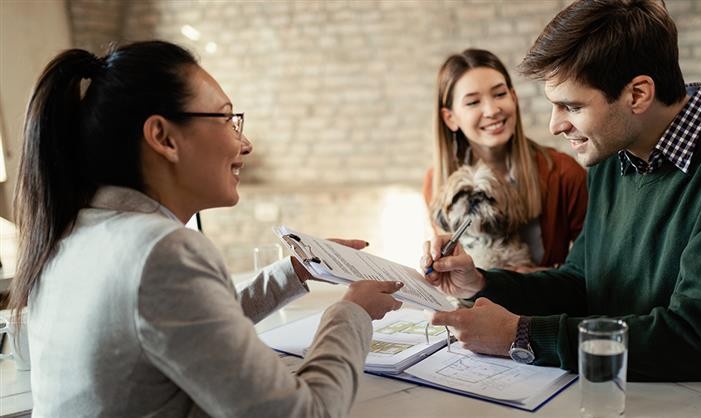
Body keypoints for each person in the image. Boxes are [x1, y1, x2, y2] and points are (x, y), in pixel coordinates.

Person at [422, 0, 701, 402]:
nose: (554, 125)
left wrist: (521, 335)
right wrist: (483, 282)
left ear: (637, 94)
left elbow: (699, 337)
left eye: (571, 106)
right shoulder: (611, 158)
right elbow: (582, 282)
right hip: (632, 392)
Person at [8, 40, 404, 417]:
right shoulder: (161, 249)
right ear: (164, 137)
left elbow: (189, 326)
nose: (245, 143)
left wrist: (297, 269)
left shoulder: (77, 230)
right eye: (228, 119)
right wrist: (352, 313)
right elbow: (305, 412)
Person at [423, 49, 587, 271]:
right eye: (473, 102)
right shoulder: (437, 181)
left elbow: (594, 265)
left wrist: (535, 279)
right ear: (450, 118)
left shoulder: (564, 173)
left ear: (514, 98)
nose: (491, 110)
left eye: (499, 94)